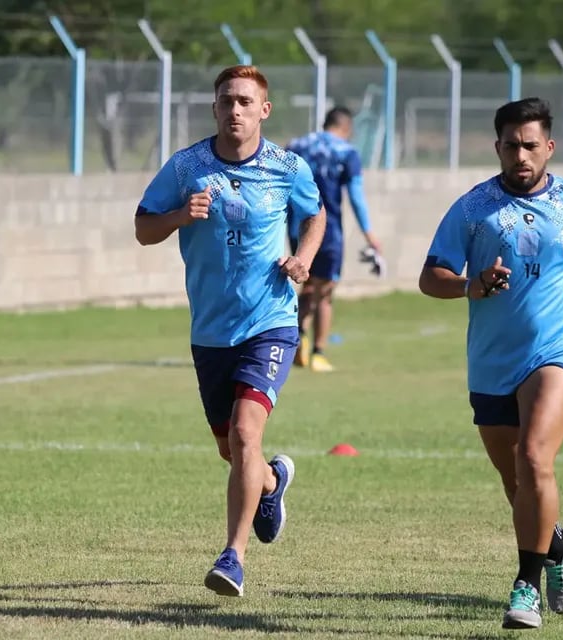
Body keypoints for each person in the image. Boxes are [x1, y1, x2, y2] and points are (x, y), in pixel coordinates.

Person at [417, 97, 563, 630]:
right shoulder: (472, 209)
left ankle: (525, 588)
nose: (521, 155)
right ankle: (559, 544)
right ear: (497, 148)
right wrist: (471, 285)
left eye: (530, 145)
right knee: (518, 482)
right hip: (493, 360)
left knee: (535, 458)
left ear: (549, 147)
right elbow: (430, 276)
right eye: (510, 145)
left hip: (560, 349)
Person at [134, 65, 326, 597]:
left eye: (245, 101)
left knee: (246, 433)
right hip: (210, 332)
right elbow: (143, 227)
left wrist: (303, 258)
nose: (234, 110)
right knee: (234, 450)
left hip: (271, 322)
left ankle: (232, 557)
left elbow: (315, 216)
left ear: (264, 109)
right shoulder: (186, 167)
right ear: (215, 108)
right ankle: (270, 481)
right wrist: (179, 215)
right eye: (226, 101)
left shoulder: (288, 167)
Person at [286, 107, 383, 372]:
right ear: (347, 127)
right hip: (326, 231)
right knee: (325, 292)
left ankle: (298, 341)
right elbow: (356, 196)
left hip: (296, 228)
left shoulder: (296, 145)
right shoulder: (346, 152)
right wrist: (369, 234)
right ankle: (318, 352)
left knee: (305, 285)